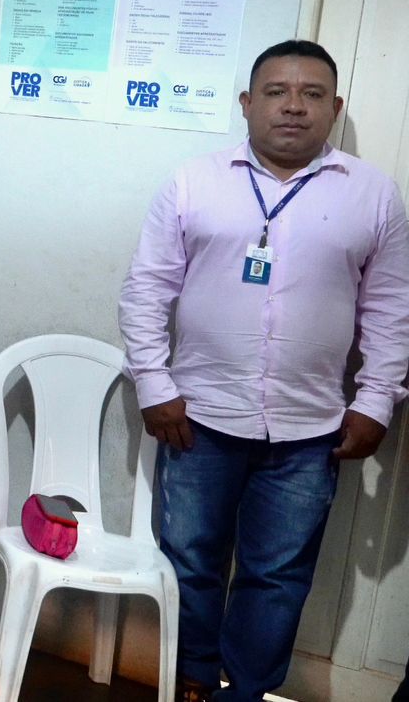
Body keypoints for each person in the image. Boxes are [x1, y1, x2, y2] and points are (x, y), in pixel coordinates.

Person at [119, 39, 409, 701]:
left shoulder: (373, 195)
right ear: (247, 103)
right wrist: (154, 383)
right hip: (196, 418)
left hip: (311, 428)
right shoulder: (195, 181)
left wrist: (375, 402)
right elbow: (145, 290)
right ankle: (191, 678)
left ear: (335, 108)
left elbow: (392, 308)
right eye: (277, 92)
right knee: (189, 560)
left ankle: (244, 691)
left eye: (312, 95)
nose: (294, 107)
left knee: (277, 576)